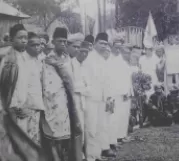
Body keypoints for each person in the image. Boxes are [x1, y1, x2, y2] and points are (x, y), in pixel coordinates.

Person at [42, 27, 82, 161]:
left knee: (71, 133)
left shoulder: (67, 58)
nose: (63, 44)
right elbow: (49, 84)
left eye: (65, 41)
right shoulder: (48, 59)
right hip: (54, 103)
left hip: (70, 100)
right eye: (60, 41)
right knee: (56, 137)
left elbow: (72, 79)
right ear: (53, 41)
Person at [0, 24, 44, 145]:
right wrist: (15, 107)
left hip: (29, 109)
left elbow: (30, 85)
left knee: (29, 144)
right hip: (13, 110)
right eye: (20, 37)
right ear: (11, 39)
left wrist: (30, 107)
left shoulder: (28, 58)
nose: (24, 40)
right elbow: (6, 88)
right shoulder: (8, 60)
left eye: (25, 37)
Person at [85, 32, 116, 160]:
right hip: (91, 99)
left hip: (102, 99)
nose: (104, 46)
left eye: (105, 44)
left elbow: (107, 81)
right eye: (101, 43)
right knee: (91, 127)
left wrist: (109, 98)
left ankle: (97, 153)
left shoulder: (102, 59)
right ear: (95, 43)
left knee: (101, 126)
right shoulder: (88, 58)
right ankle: (91, 156)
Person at [108, 38, 133, 144]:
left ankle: (122, 135)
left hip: (125, 91)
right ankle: (116, 137)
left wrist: (128, 91)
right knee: (116, 116)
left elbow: (127, 77)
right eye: (116, 48)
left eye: (120, 48)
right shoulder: (110, 60)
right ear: (112, 47)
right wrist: (121, 91)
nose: (118, 50)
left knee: (124, 114)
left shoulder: (122, 60)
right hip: (116, 92)